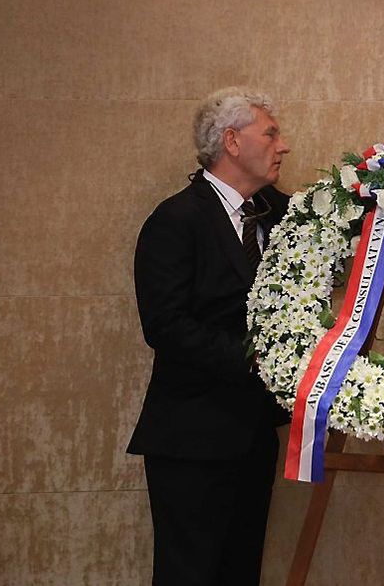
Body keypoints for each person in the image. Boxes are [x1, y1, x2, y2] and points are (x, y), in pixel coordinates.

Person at [127, 87, 291, 585]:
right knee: (189, 573)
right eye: (271, 133)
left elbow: (339, 219)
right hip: (191, 437)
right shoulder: (176, 219)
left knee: (241, 571)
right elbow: (167, 326)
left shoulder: (278, 214)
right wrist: (261, 361)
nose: (283, 146)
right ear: (232, 141)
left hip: (253, 435)